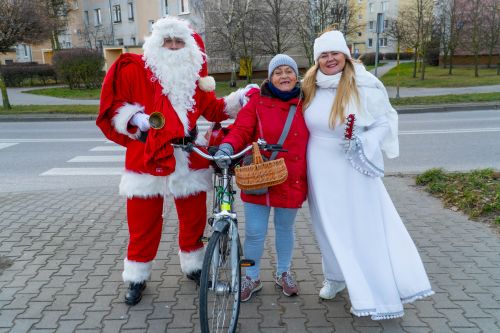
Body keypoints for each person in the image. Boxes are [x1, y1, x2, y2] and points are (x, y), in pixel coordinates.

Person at [96, 16, 251, 305]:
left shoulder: (194, 79)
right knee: (143, 220)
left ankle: (193, 265)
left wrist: (240, 100)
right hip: (147, 154)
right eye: (167, 41)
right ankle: (137, 276)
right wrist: (136, 118)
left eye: (179, 41)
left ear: (189, 46)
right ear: (156, 44)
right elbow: (115, 106)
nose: (173, 46)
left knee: (193, 218)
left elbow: (213, 109)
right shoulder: (136, 71)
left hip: (188, 155)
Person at [302, 30, 434, 320]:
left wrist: (363, 143)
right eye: (323, 55)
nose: (330, 59)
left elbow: (384, 121)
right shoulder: (310, 85)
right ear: (316, 60)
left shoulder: (362, 83)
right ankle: (335, 276)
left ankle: (374, 288)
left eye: (334, 53)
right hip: (319, 169)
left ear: (345, 54)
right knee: (327, 226)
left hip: (352, 166)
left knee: (360, 226)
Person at [215, 54, 309, 302]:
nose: (284, 76)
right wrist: (227, 146)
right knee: (255, 233)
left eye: (288, 71)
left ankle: (283, 272)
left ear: (296, 75)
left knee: (285, 229)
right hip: (260, 175)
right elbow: (242, 129)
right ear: (270, 77)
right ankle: (252, 277)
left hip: (291, 176)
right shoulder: (257, 102)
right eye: (278, 72)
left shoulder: (306, 101)